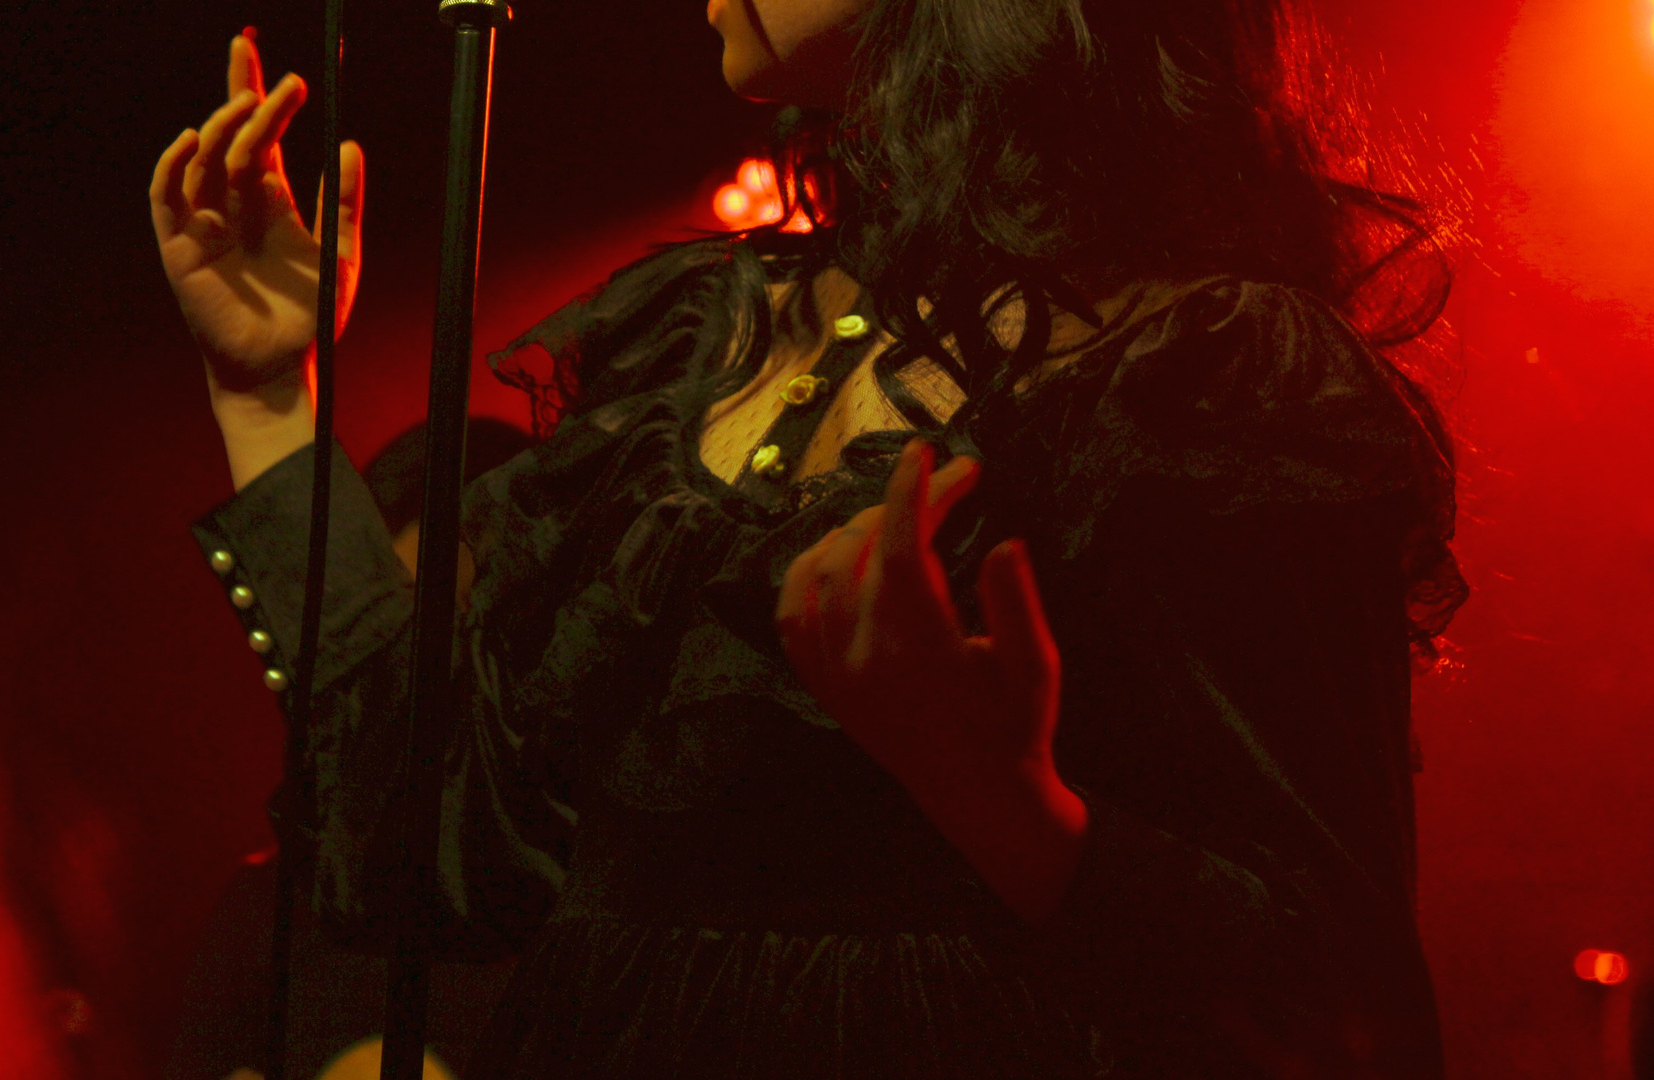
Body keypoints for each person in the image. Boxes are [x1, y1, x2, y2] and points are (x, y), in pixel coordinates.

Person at [151, 1, 1467, 1074]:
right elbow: (435, 853)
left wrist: (1015, 809)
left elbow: (1338, 1006)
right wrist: (267, 402)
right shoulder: (695, 341)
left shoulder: (1205, 372)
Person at [166, 420, 531, 1080]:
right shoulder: (269, 909)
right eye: (393, 635)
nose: (421, 677)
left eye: (461, 629)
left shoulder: (600, 907)